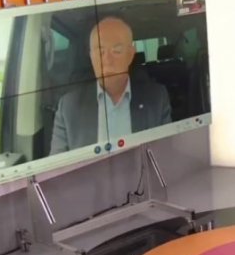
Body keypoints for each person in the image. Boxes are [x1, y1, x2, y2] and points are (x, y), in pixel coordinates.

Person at [50, 16, 171, 154]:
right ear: (91, 56)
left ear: (130, 54)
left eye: (116, 50)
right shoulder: (68, 108)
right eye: (100, 51)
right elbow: (59, 164)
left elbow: (165, 154)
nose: (107, 60)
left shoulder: (156, 98)